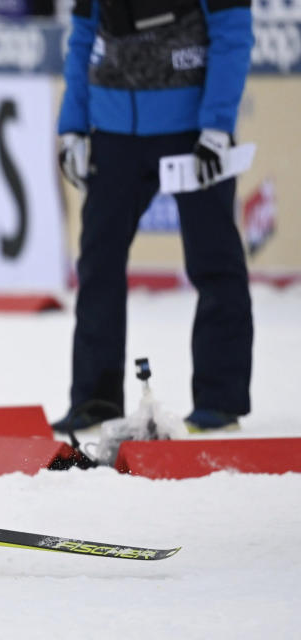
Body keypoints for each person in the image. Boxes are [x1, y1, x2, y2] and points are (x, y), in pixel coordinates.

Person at [54, 0, 254, 434]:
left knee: (215, 263)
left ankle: (219, 402)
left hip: (193, 133)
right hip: (113, 131)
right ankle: (95, 400)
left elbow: (233, 35)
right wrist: (73, 125)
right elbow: (83, 38)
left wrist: (217, 126)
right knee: (97, 266)